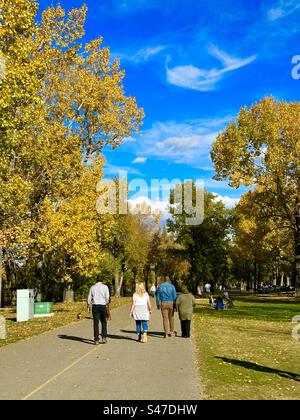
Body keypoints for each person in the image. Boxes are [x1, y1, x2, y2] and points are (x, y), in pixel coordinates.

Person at [87, 278, 110, 345]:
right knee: (103, 322)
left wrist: (88, 304)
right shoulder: (105, 287)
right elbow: (107, 297)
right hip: (103, 305)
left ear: (96, 281)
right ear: (101, 281)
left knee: (95, 323)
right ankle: (104, 337)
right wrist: (106, 302)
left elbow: (89, 297)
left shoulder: (92, 287)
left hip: (95, 306)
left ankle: (96, 339)